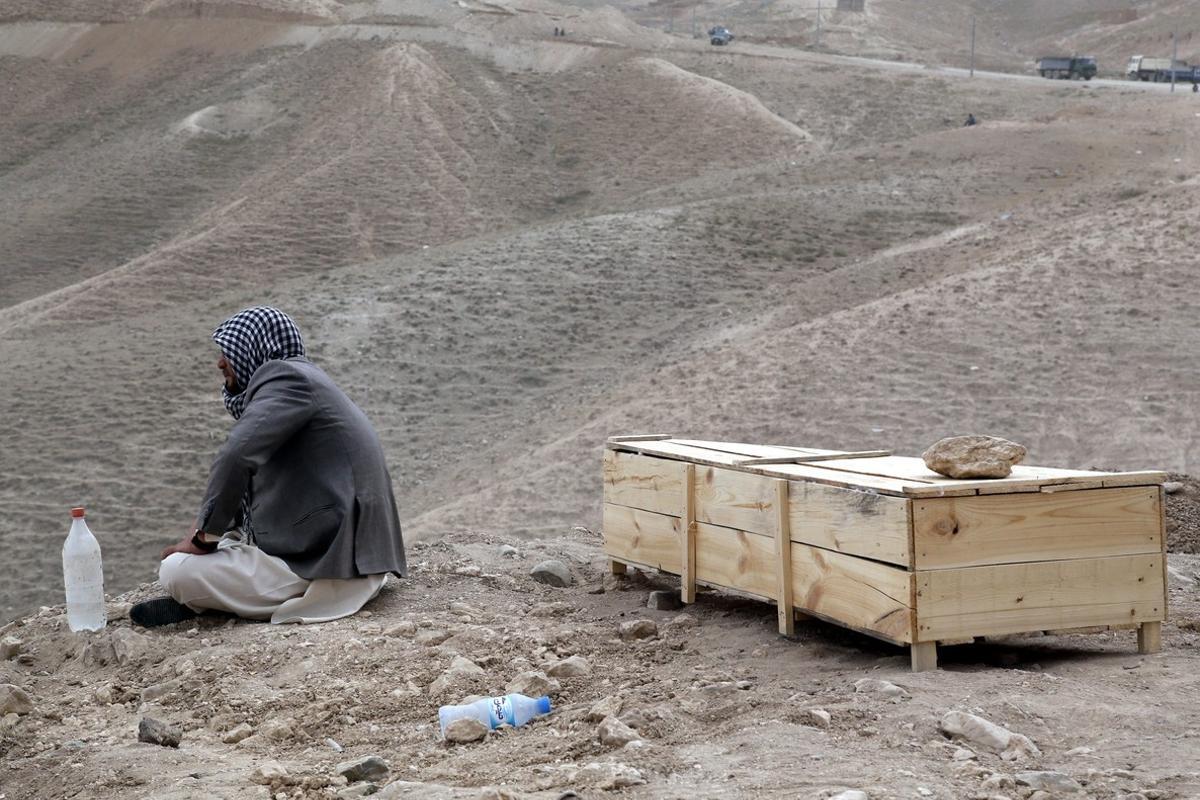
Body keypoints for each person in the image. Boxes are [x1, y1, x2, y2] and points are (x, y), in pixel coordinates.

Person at [130, 306, 406, 627]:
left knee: (177, 570)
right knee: (229, 539)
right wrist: (207, 528)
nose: (220, 362)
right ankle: (221, 599)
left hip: (333, 565)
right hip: (350, 555)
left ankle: (216, 604)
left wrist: (202, 538)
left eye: (229, 351)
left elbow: (237, 456)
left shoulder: (285, 377)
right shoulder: (304, 381)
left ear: (256, 348)